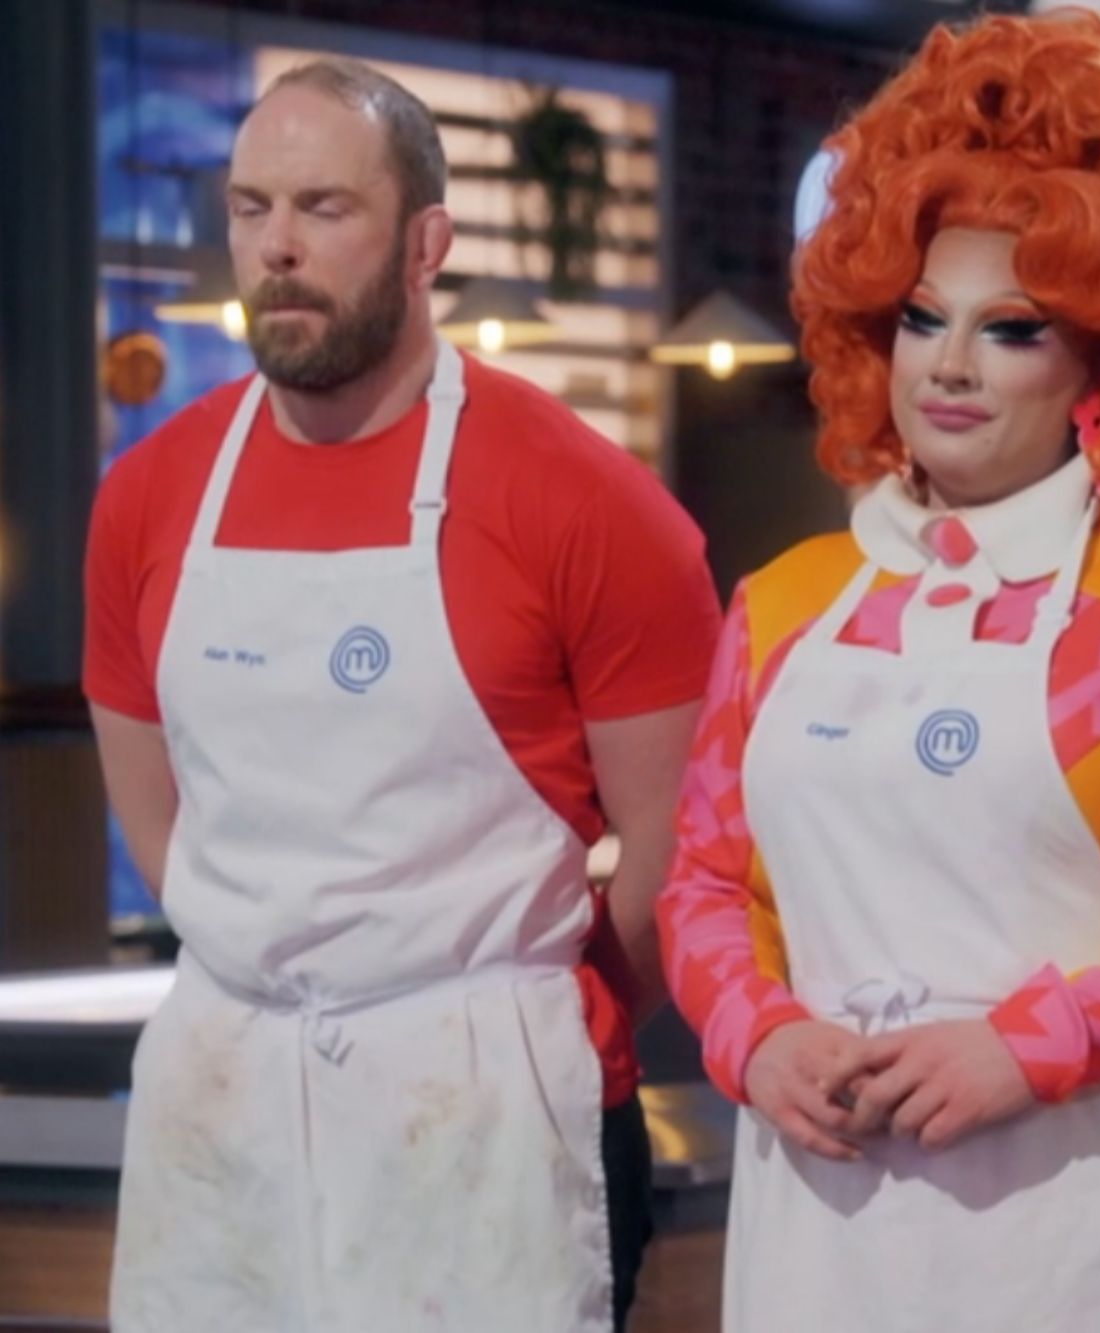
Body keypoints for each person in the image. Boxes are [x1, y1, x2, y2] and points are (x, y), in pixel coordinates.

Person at [657, 12, 1100, 1332]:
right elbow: (704, 880)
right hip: (831, 1211)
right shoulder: (785, 605)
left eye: (1015, 328)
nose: (953, 365)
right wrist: (760, 1036)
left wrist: (1029, 1045)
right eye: (924, 318)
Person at [84, 59, 719, 1331]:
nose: (275, 247)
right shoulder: (151, 493)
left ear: (429, 240)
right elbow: (158, 819)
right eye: (250, 207)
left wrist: (522, 1014)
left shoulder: (588, 504)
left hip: (486, 1113)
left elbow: (682, 847)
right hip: (225, 1106)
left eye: (323, 207)